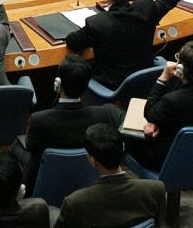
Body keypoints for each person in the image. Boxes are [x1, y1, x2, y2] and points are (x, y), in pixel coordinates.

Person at [20, 55, 122, 189]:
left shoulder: (39, 120)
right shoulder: (105, 113)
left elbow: (32, 148)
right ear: (86, 85)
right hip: (88, 180)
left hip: (49, 181)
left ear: (58, 84)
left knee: (18, 146)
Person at [126, 42, 193, 170]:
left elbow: (149, 113)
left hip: (168, 161)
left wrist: (164, 77)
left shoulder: (173, 101)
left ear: (181, 69)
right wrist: (160, 122)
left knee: (111, 114)